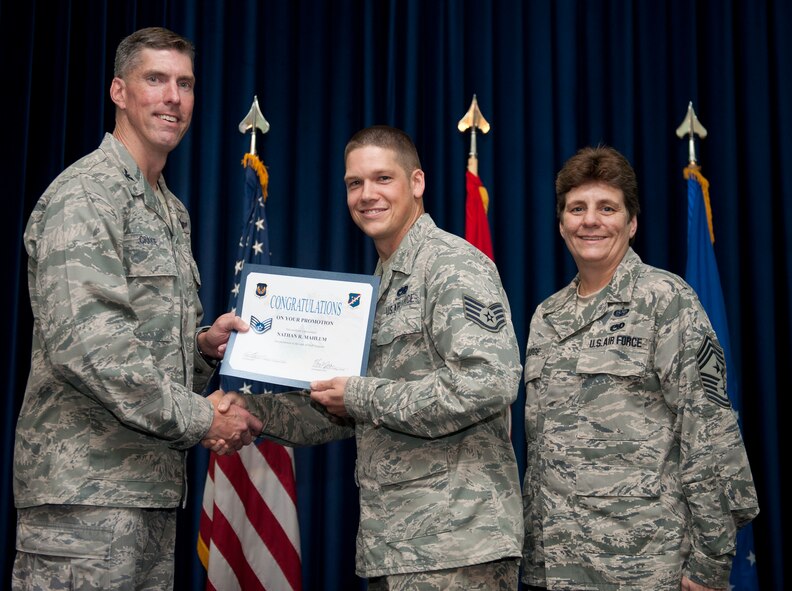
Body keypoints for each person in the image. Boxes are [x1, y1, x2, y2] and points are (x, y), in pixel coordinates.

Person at [213, 125, 524, 589]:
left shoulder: (451, 265)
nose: (366, 195)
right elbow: (340, 409)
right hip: (393, 547)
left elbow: (489, 382)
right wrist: (251, 411)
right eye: (354, 183)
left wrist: (360, 396)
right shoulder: (377, 285)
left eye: (382, 179)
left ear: (416, 183)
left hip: (456, 547)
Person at [13, 27, 262, 590]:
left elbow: (145, 345)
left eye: (185, 84)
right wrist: (204, 419)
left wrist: (200, 349)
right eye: (155, 80)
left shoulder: (170, 211)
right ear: (119, 92)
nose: (173, 97)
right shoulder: (86, 195)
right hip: (83, 499)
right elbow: (90, 345)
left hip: (148, 493)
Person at [521, 146, 759, 591]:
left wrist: (710, 562)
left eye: (607, 208)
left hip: (647, 565)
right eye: (577, 208)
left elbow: (708, 433)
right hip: (556, 566)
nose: (590, 220)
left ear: (631, 223)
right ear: (561, 224)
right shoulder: (545, 317)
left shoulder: (666, 300)